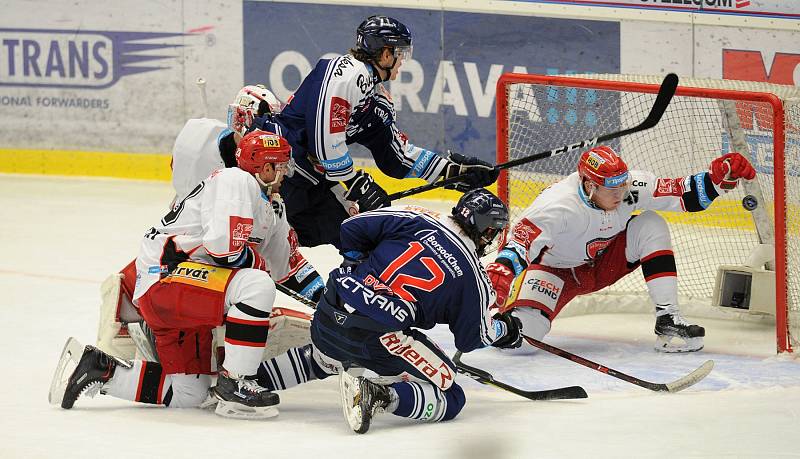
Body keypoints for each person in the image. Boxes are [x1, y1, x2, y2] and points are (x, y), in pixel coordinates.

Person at [52, 130, 304, 419]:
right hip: (167, 278)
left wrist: (330, 303)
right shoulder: (236, 181)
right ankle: (237, 383)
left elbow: (288, 267)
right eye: (281, 166)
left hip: (191, 291)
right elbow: (225, 251)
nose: (285, 173)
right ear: (266, 167)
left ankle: (100, 370)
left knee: (189, 393)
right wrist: (259, 265)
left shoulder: (272, 206)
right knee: (255, 286)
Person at [252, 189, 522, 434]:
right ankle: (380, 395)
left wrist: (355, 268)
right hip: (376, 339)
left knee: (321, 359)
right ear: (487, 232)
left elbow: (351, 227)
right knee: (452, 397)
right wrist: (505, 330)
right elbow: (472, 338)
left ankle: (244, 380)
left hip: (330, 310)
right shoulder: (474, 279)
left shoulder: (416, 216)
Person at [98, 85, 324, 362]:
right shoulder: (207, 146)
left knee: (240, 285)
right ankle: (124, 319)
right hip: (184, 255)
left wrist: (326, 300)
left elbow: (285, 264)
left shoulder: (268, 191)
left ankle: (203, 341)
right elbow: (196, 226)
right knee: (185, 260)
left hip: (211, 260)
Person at [486, 146, 756, 353]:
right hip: (553, 272)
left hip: (604, 262)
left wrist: (719, 178)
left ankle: (668, 319)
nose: (620, 194)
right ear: (589, 186)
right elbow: (520, 243)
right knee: (522, 344)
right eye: (612, 188)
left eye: (623, 184)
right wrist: (502, 273)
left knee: (650, 223)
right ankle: (489, 326)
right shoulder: (557, 206)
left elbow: (685, 196)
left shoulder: (627, 188)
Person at [260, 15, 498, 248]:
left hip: (312, 182)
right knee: (260, 243)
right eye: (400, 53)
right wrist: (358, 184)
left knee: (358, 239)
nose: (402, 61)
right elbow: (325, 144)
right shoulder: (345, 75)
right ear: (385, 54)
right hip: (279, 173)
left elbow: (398, 157)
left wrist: (452, 172)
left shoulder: (376, 99)